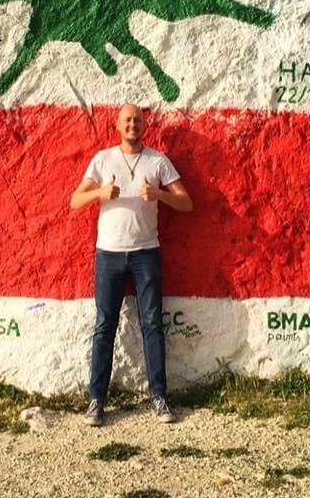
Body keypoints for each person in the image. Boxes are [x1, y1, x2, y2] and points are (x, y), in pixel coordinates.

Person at [69, 103, 193, 427]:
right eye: (127, 120)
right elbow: (74, 201)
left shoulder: (157, 161)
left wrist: (159, 195)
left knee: (152, 324)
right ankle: (97, 400)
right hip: (108, 253)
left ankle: (159, 397)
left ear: (144, 125)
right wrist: (100, 192)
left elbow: (186, 202)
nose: (132, 124)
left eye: (137, 120)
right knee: (104, 326)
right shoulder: (103, 159)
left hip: (146, 253)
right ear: (118, 124)